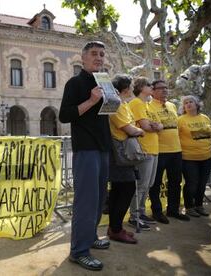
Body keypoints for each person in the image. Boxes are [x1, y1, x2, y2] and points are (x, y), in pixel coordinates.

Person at [59, 41, 111, 271]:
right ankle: (79, 251)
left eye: (101, 54)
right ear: (83, 58)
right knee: (86, 202)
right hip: (86, 149)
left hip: (103, 147)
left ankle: (90, 238)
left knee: (99, 199)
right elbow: (64, 115)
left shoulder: (104, 81)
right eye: (93, 54)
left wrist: (114, 100)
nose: (98, 58)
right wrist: (91, 100)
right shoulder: (75, 82)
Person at [107, 74, 144, 244]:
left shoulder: (122, 104)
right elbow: (129, 128)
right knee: (126, 189)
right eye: (130, 86)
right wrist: (140, 131)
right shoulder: (117, 104)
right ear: (126, 88)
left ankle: (115, 227)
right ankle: (115, 229)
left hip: (122, 153)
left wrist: (136, 129)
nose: (131, 89)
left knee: (118, 190)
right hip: (119, 153)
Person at [149, 80, 190, 223]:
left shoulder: (172, 105)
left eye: (166, 88)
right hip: (159, 150)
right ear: (152, 91)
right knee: (155, 183)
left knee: (176, 181)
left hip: (176, 150)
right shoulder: (148, 106)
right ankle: (157, 212)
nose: (165, 90)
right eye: (161, 88)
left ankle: (173, 210)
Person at [127, 77, 163, 231]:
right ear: (141, 87)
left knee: (148, 184)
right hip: (144, 149)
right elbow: (146, 126)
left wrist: (157, 126)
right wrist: (156, 126)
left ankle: (140, 213)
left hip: (153, 149)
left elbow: (159, 125)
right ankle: (134, 216)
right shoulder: (136, 103)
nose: (152, 87)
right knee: (141, 186)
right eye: (149, 85)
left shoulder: (147, 105)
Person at [178, 95, 211, 217]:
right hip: (188, 158)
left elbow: (210, 136)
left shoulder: (205, 118)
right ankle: (189, 207)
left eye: (190, 101)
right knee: (192, 183)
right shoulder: (181, 120)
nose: (188, 104)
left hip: (207, 157)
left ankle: (199, 205)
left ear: (197, 104)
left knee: (202, 183)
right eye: (186, 103)